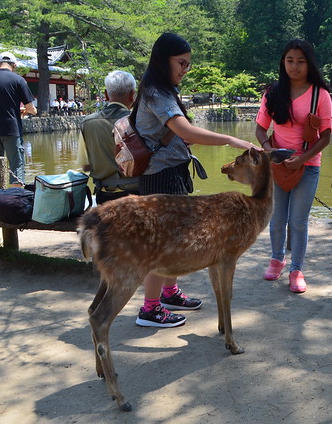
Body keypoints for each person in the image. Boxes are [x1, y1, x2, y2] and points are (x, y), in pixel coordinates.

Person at [131, 32, 258, 328]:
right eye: (181, 63)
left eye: (188, 64)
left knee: (174, 240)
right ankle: (149, 310)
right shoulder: (155, 92)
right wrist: (231, 140)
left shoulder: (163, 88)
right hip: (159, 177)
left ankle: (169, 293)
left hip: (172, 173)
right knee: (158, 245)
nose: (185, 70)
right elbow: (186, 131)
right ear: (164, 60)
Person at [256, 39, 332, 293]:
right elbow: (260, 128)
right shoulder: (273, 92)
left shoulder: (319, 95)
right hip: (277, 165)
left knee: (298, 221)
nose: (295, 66)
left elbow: (325, 136)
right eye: (290, 60)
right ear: (283, 62)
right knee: (276, 219)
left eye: (300, 61)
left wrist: (302, 158)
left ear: (309, 64)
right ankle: (277, 259)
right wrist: (269, 150)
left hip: (307, 165)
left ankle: (297, 270)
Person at [76, 70, 139, 204]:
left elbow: (85, 166)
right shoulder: (141, 121)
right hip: (138, 194)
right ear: (133, 95)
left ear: (106, 94)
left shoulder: (88, 123)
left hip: (105, 196)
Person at [0, 52, 37, 190]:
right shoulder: (18, 80)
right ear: (14, 65)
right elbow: (31, 108)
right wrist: (26, 111)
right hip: (11, 127)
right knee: (16, 164)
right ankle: (13, 199)